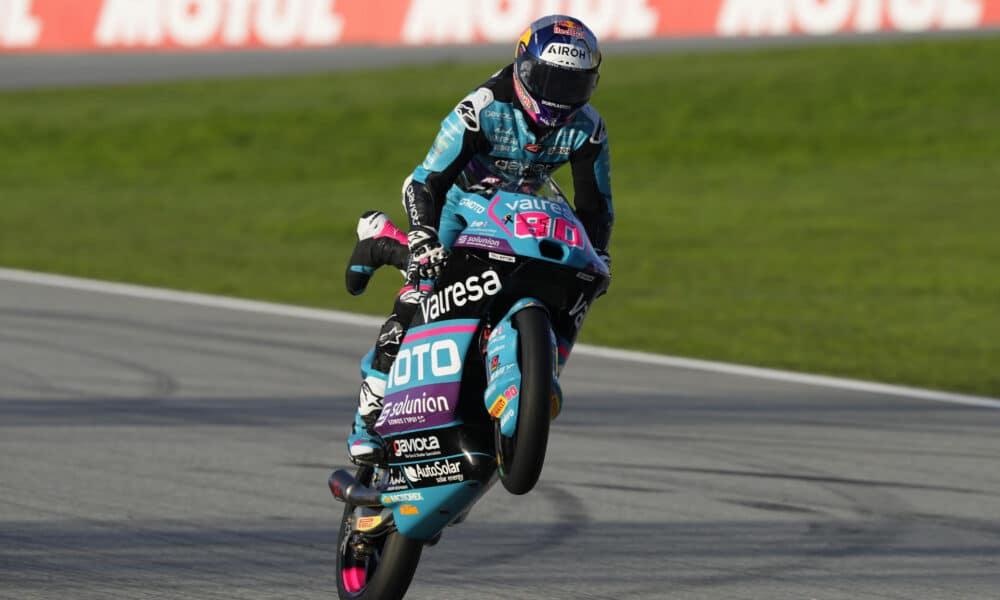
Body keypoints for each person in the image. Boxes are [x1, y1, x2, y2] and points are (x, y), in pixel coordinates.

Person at [343, 14, 614, 465]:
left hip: (524, 213)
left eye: (572, 85)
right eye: (547, 79)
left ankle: (527, 376)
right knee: (419, 295)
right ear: (522, 68)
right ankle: (367, 416)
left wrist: (599, 255)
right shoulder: (483, 106)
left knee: (571, 279)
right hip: (460, 208)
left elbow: (596, 205)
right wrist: (425, 238)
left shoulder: (588, 128)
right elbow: (423, 181)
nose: (557, 96)